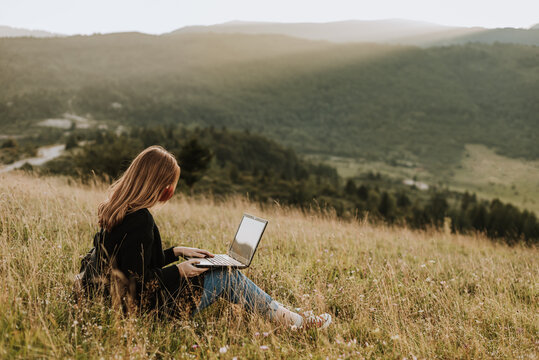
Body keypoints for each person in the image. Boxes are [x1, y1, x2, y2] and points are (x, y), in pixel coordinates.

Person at [92, 145, 331, 329]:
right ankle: (296, 323)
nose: (171, 191)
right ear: (159, 184)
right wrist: (180, 270)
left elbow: (131, 263)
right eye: (171, 184)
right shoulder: (140, 220)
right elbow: (138, 283)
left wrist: (175, 252)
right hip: (147, 312)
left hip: (127, 304)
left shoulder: (120, 209)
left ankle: (286, 314)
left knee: (222, 271)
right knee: (228, 277)